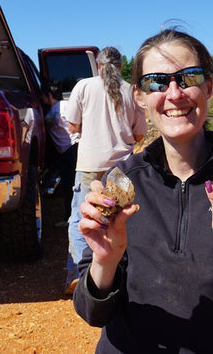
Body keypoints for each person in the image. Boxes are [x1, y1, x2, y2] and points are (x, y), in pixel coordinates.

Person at [72, 28, 213, 353]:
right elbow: (92, 311)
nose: (174, 94)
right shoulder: (122, 181)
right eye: (157, 82)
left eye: (188, 77)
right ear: (139, 95)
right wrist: (105, 259)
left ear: (208, 86)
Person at [63, 47, 147, 295]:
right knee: (122, 221)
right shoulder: (131, 91)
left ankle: (81, 274)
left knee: (80, 220)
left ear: (98, 66)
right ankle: (123, 275)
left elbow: (72, 125)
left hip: (89, 165)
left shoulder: (84, 86)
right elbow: (140, 133)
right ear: (121, 66)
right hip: (123, 167)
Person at [40, 80, 79, 226]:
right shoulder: (52, 111)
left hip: (73, 148)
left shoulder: (63, 106)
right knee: (70, 185)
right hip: (66, 151)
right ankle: (71, 217)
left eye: (43, 97)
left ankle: (71, 218)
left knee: (73, 185)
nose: (42, 100)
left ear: (49, 95)